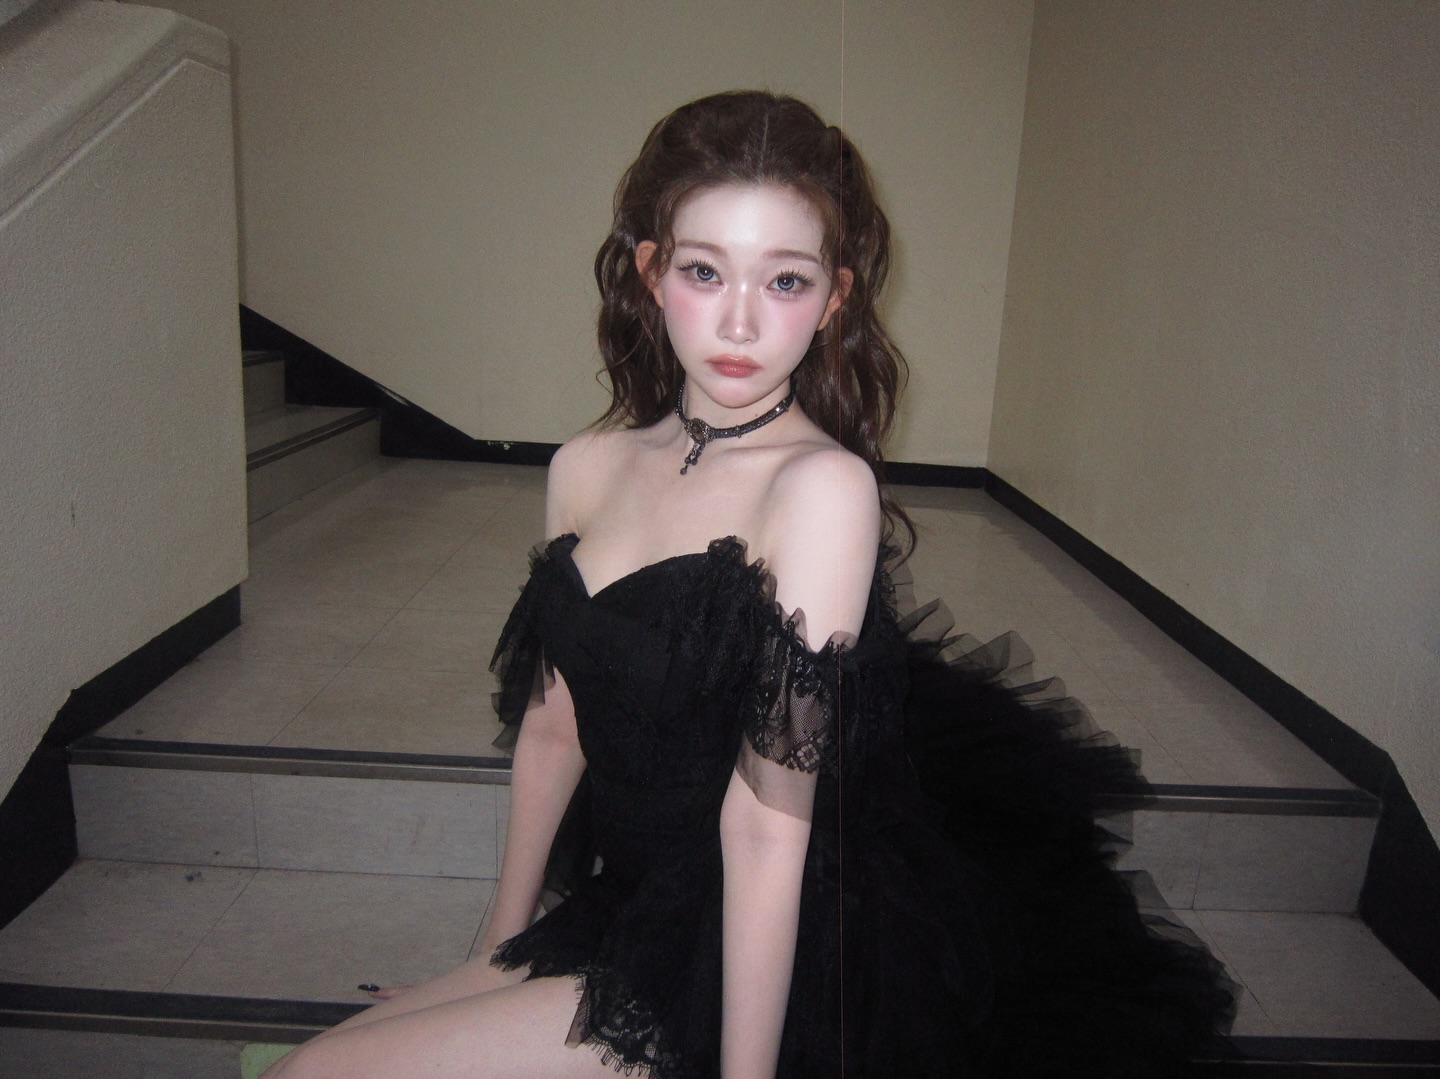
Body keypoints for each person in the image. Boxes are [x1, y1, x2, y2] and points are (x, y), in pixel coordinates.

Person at [266, 90, 1232, 1079]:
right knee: (324, 1058)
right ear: (650, 272)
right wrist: (494, 951)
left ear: (834, 299)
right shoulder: (584, 467)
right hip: (635, 904)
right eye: (703, 270)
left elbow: (767, 822)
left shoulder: (822, 489)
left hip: (768, 951)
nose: (739, 320)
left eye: (784, 280)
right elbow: (555, 733)